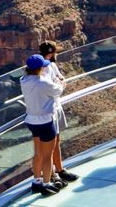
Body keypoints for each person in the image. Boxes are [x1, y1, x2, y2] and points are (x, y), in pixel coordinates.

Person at [22, 55, 66, 196]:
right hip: (45, 122)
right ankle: (46, 184)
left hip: (31, 121)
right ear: (40, 68)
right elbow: (58, 90)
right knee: (47, 156)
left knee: (38, 153)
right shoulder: (43, 83)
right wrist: (61, 83)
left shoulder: (23, 80)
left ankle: (36, 182)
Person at [35, 42, 78, 185]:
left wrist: (60, 83)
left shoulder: (52, 66)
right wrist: (59, 85)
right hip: (48, 112)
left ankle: (60, 170)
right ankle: (51, 176)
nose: (56, 55)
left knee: (57, 141)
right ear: (50, 53)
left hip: (57, 107)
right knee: (46, 147)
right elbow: (52, 88)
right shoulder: (40, 71)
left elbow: (61, 79)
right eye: (55, 52)